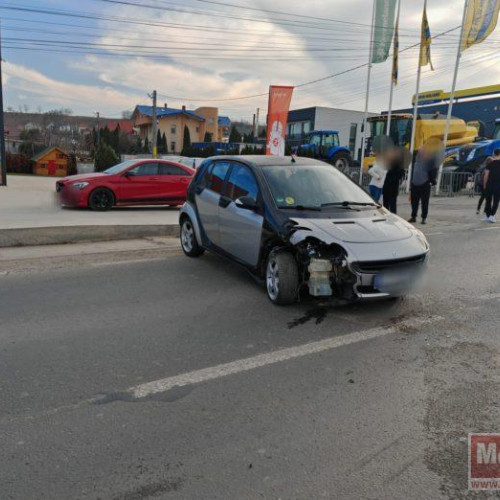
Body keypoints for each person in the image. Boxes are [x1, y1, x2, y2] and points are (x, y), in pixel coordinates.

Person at [409, 140, 440, 224]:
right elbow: (412, 169)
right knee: (414, 202)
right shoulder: (415, 157)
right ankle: (413, 216)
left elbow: (433, 170)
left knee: (424, 202)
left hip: (424, 183)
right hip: (414, 183)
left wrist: (432, 181)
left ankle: (424, 218)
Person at [382, 147, 406, 214]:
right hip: (386, 186)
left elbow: (401, 174)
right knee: (385, 203)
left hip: (393, 187)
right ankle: (385, 215)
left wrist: (393, 179)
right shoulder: (390, 162)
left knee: (392, 205)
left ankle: (393, 217)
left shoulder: (399, 164)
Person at [483, 149, 500, 223]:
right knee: (496, 201)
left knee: (488, 201)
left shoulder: (490, 163)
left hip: (489, 184)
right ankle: (492, 216)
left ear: (494, 153)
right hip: (498, 185)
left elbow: (486, 175)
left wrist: (484, 184)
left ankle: (488, 216)